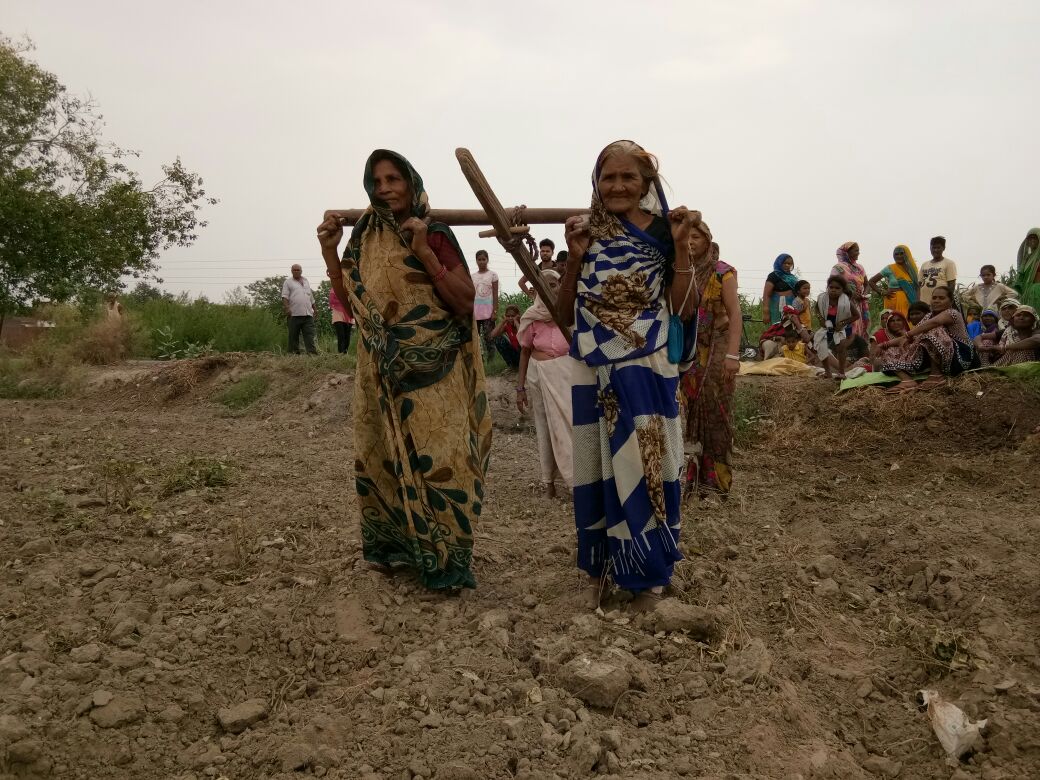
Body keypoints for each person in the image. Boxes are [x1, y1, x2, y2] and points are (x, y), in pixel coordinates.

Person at [314, 149, 490, 590]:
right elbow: (349, 302)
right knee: (385, 458)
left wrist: (425, 253)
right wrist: (329, 252)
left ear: (412, 183)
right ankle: (399, 552)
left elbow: (467, 302)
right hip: (381, 367)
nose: (385, 188)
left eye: (394, 179)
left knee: (445, 460)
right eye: (377, 181)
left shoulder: (435, 233)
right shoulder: (364, 239)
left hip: (437, 366)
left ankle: (448, 561)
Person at [557, 140, 699, 612]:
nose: (617, 186)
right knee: (596, 465)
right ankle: (599, 571)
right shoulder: (585, 232)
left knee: (649, 464)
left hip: (649, 363)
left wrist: (680, 249)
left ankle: (649, 578)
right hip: (593, 367)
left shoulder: (664, 232)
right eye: (607, 178)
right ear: (596, 183)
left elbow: (683, 308)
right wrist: (574, 258)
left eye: (628, 178)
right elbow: (564, 313)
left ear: (646, 183)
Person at [684, 235, 742, 497]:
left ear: (707, 241)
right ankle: (691, 477)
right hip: (690, 350)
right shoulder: (682, 271)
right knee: (690, 407)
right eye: (686, 237)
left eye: (695, 237)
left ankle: (716, 482)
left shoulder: (722, 273)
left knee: (716, 412)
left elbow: (735, 314)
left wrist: (732, 356)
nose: (690, 242)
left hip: (718, 349)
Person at [516, 269, 573, 498]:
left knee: (569, 426)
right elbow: (525, 352)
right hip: (538, 376)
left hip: (566, 376)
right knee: (545, 427)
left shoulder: (569, 314)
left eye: (555, 283)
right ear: (538, 288)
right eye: (546, 284)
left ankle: (573, 481)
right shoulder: (532, 316)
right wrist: (520, 389)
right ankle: (548, 481)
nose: (552, 288)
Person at [878, 286, 976, 392]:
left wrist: (907, 335)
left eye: (941, 298)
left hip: (960, 357)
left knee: (934, 330)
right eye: (934, 298)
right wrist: (884, 345)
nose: (937, 301)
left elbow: (933, 324)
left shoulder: (952, 313)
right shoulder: (928, 316)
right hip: (938, 356)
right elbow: (913, 335)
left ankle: (936, 375)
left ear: (950, 301)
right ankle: (907, 381)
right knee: (888, 351)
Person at [812, 275, 861, 379]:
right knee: (822, 347)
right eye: (831, 287)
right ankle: (827, 372)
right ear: (828, 287)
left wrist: (843, 323)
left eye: (837, 288)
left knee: (841, 347)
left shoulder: (846, 301)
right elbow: (816, 309)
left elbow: (856, 315)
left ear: (843, 289)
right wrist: (820, 319)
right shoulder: (822, 298)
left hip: (839, 328)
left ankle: (841, 373)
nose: (833, 290)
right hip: (826, 326)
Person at [832, 242, 871, 340]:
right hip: (845, 302)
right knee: (848, 328)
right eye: (856, 250)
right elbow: (832, 285)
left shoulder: (859, 267)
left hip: (859, 303)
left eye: (858, 250)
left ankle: (858, 351)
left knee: (859, 328)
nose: (858, 253)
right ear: (846, 252)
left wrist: (864, 294)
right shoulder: (838, 268)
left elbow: (867, 284)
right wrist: (850, 294)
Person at [868, 245, 919, 318]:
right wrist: (882, 292)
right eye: (896, 254)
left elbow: (917, 288)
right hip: (892, 300)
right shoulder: (890, 268)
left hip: (909, 301)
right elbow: (871, 281)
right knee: (893, 322)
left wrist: (917, 303)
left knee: (908, 323)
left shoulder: (912, 270)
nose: (899, 256)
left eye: (901, 253)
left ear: (907, 254)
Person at [281, 264, 317, 355]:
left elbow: (311, 296)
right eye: (294, 270)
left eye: (298, 270)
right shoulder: (288, 282)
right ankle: (294, 355)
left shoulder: (306, 281)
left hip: (308, 314)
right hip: (294, 314)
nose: (296, 271)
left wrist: (315, 309)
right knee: (293, 336)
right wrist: (287, 308)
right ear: (291, 271)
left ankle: (312, 354)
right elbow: (284, 297)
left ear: (301, 271)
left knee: (309, 335)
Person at [471, 250, 499, 358]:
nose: (482, 262)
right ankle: (479, 360)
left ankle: (492, 360)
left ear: (487, 260)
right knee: (476, 338)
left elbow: (495, 295)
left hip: (488, 312)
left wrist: (495, 311)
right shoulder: (472, 276)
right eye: (479, 260)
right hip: (475, 312)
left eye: (484, 259)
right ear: (476, 261)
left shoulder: (493, 275)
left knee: (489, 337)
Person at [918, 236, 957, 307]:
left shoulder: (949, 263)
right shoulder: (924, 264)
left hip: (940, 303)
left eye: (938, 248)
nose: (935, 250)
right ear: (930, 248)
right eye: (933, 248)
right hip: (924, 302)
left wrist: (948, 301)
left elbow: (951, 285)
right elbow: (919, 284)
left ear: (943, 248)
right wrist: (918, 301)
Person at [761, 254, 798, 325]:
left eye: (789, 263)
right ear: (779, 263)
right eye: (785, 263)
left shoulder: (793, 278)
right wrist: (766, 311)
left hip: (792, 306)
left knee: (792, 328)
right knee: (779, 327)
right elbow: (766, 294)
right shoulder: (774, 275)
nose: (787, 265)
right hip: (778, 306)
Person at [489, 304, 522, 369]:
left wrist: (516, 322)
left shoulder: (523, 323)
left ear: (518, 315)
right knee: (498, 339)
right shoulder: (507, 326)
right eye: (508, 316)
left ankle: (523, 366)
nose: (510, 318)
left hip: (524, 354)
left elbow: (522, 336)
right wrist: (503, 321)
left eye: (513, 316)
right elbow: (492, 335)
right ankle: (512, 366)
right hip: (515, 354)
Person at [1014, 228, 1040, 308]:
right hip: (1026, 292)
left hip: (1037, 291)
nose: (1032, 240)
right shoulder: (1026, 259)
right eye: (1029, 238)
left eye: (1034, 238)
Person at [328, 285, 354, 354]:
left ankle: (345, 354)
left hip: (348, 313)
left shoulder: (350, 288)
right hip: (338, 313)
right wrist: (343, 301)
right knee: (341, 335)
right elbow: (331, 300)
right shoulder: (334, 288)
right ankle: (341, 353)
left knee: (347, 336)